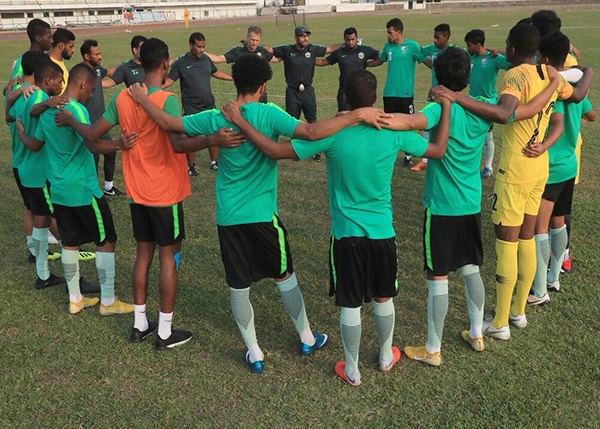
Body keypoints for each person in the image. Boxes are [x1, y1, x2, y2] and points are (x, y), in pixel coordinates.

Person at [127, 55, 389, 371]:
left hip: (229, 219)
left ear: (235, 82)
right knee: (285, 276)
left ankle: (255, 352)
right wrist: (356, 116)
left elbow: (169, 124)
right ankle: (306, 337)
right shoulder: (269, 114)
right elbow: (309, 132)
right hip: (264, 217)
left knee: (239, 287)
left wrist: (142, 98)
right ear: (264, 86)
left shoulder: (217, 116)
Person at [221, 67, 450, 385]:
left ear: (344, 97)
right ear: (375, 99)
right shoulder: (392, 130)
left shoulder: (332, 133)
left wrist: (242, 121)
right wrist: (448, 107)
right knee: (385, 297)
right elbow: (438, 150)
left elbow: (275, 151)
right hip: (383, 232)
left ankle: (352, 368)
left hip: (346, 236)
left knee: (351, 301)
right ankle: (386, 356)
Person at [56, 38, 244, 349]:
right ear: (165, 65)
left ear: (141, 64)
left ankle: (139, 323)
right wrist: (215, 140)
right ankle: (165, 331)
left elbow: (91, 137)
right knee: (169, 256)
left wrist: (72, 120)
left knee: (144, 254)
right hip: (165, 192)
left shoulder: (123, 99)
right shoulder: (166, 100)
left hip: (137, 192)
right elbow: (179, 144)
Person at [430, 24, 592, 341]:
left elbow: (504, 114)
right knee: (529, 238)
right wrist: (587, 68)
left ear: (513, 49)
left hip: (516, 170)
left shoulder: (516, 76)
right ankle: (518, 312)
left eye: (506, 44)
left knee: (507, 242)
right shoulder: (550, 75)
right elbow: (580, 94)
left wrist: (456, 98)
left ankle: (500, 322)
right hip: (539, 169)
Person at [18, 63, 136, 316]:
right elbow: (92, 143)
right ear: (82, 84)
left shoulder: (48, 110)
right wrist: (119, 144)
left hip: (58, 189)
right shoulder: (76, 110)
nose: (92, 94)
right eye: (91, 89)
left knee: (69, 243)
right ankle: (108, 300)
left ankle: (75, 299)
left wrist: (21, 134)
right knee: (106, 240)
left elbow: (37, 144)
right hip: (83, 189)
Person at [529, 31, 596, 305]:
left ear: (543, 58)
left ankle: (539, 291)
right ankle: (553, 277)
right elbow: (591, 114)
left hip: (549, 167)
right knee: (558, 224)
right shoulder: (575, 85)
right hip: (570, 164)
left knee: (539, 229)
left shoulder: (549, 87)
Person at [6, 54, 63, 277]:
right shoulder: (39, 97)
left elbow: (9, 117)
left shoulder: (24, 94)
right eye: (59, 80)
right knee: (47, 218)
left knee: (41, 217)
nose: (61, 85)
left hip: (24, 168)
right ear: (46, 76)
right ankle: (61, 258)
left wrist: (12, 94)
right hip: (38, 171)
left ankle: (43, 273)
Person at [165, 32, 233, 175]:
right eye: (198, 47)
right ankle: (191, 166)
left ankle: (214, 162)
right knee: (192, 136)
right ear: (190, 45)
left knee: (213, 132)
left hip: (208, 104)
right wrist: (153, 87)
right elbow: (169, 81)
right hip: (191, 106)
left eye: (203, 47)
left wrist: (234, 78)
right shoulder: (181, 63)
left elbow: (216, 72)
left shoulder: (206, 59)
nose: (201, 50)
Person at [271, 26, 339, 160]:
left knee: (312, 120)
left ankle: (316, 150)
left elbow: (330, 49)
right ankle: (296, 151)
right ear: (296, 37)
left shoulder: (313, 49)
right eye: (302, 36)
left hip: (308, 91)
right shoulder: (287, 49)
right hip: (292, 91)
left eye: (307, 36)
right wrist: (252, 45)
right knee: (293, 122)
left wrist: (348, 43)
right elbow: (270, 50)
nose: (305, 38)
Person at [367, 17, 427, 168]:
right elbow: (379, 61)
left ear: (398, 32)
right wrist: (362, 64)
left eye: (390, 32)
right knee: (389, 124)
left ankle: (408, 156)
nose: (388, 35)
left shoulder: (412, 46)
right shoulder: (388, 47)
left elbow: (425, 61)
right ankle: (391, 154)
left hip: (405, 94)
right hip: (389, 93)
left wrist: (441, 69)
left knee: (408, 125)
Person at [464, 29, 511, 179]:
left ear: (478, 44)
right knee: (472, 135)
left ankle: (488, 167)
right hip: (472, 101)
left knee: (487, 136)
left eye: (470, 45)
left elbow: (511, 64)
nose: (468, 48)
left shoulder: (493, 58)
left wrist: (496, 51)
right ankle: (472, 165)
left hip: (489, 103)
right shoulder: (470, 57)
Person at [80, 39, 123, 196]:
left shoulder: (97, 70)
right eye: (96, 54)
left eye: (100, 53)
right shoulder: (81, 73)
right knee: (94, 157)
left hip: (102, 121)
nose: (100, 56)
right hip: (89, 124)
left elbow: (109, 71)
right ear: (86, 55)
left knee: (111, 152)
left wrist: (126, 65)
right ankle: (92, 190)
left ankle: (108, 187)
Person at [412, 23, 455, 172]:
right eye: (434, 37)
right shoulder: (433, 49)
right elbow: (420, 52)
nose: (435, 40)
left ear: (447, 37)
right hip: (434, 95)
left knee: (447, 126)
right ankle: (424, 160)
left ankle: (447, 157)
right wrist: (431, 64)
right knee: (428, 124)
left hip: (449, 97)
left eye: (438, 37)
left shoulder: (454, 52)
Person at [206, 25, 275, 104]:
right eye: (252, 40)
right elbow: (217, 59)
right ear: (247, 37)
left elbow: (275, 59)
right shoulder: (238, 52)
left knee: (261, 116)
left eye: (257, 40)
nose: (254, 43)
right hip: (244, 95)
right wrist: (202, 52)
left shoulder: (262, 51)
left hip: (261, 94)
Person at [315, 27, 379, 112]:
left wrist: (367, 64)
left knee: (362, 117)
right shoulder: (339, 52)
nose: (350, 42)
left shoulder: (364, 50)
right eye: (348, 40)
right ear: (344, 39)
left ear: (357, 38)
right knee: (344, 118)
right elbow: (323, 62)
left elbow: (379, 56)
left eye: (353, 39)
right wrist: (308, 59)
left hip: (361, 90)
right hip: (345, 90)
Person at [7, 18, 53, 83]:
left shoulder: (46, 58)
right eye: (49, 37)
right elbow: (12, 86)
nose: (52, 41)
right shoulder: (22, 62)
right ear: (38, 38)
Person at [48, 28, 75, 94]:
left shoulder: (60, 62)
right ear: (61, 46)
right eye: (71, 46)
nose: (73, 50)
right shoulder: (49, 65)